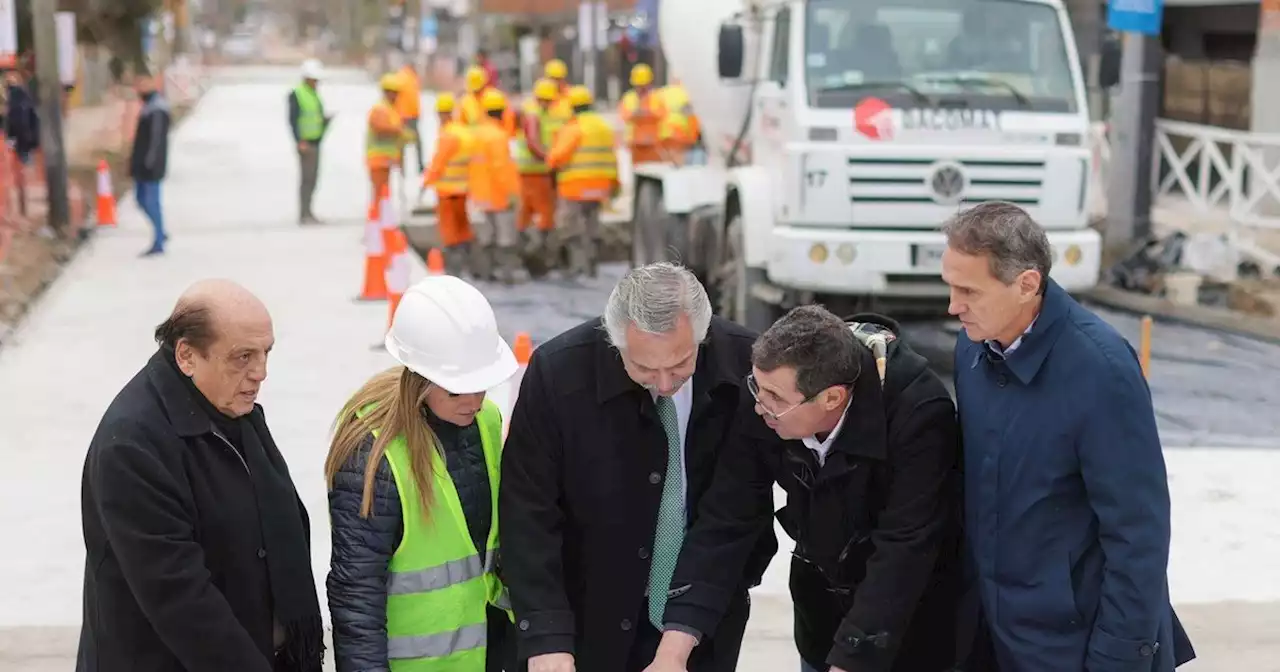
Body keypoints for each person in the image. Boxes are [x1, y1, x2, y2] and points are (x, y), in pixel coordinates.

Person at [940, 201, 1197, 671]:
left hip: (1073, 644)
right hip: (994, 635)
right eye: (950, 286)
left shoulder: (1102, 371)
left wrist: (1118, 658)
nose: (953, 306)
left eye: (968, 291)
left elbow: (1138, 535)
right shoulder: (973, 349)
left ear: (1027, 285)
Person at [645, 305, 964, 672]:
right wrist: (673, 649)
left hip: (911, 626)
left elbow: (904, 550)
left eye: (776, 398)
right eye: (756, 387)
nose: (760, 406)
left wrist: (851, 660)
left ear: (832, 398)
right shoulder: (767, 403)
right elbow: (727, 518)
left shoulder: (918, 415)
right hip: (822, 617)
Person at [500, 262, 777, 672]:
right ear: (616, 344)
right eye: (645, 369)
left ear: (703, 337)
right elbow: (529, 514)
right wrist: (546, 637)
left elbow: (733, 515)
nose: (665, 383)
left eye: (681, 364)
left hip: (706, 612)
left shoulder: (744, 366)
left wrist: (680, 639)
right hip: (588, 616)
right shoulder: (557, 375)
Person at [78, 279, 324, 672]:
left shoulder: (230, 408)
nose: (261, 373)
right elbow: (181, 599)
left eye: (266, 353)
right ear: (187, 356)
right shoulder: (131, 446)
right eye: (242, 357)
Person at [326, 274, 519, 672]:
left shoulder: (486, 422)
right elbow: (356, 594)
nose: (474, 400)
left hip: (492, 655)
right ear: (419, 379)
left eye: (481, 385)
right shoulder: (374, 456)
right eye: (456, 389)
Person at [545, 85, 619, 279]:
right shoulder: (603, 126)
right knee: (592, 226)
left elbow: (556, 158)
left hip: (575, 187)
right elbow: (612, 157)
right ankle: (592, 266)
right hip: (599, 187)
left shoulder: (574, 128)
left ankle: (578, 267)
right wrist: (614, 185)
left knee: (572, 229)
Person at [466, 89, 522, 284]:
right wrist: (512, 193)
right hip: (499, 197)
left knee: (485, 238)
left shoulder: (476, 135)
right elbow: (501, 169)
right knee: (505, 240)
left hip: (480, 196)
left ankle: (484, 274)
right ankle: (506, 275)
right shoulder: (498, 136)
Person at [422, 93, 475, 273]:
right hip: (463, 190)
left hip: (447, 192)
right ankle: (469, 263)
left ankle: (454, 269)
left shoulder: (448, 135)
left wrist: (426, 182)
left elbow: (439, 162)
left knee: (450, 232)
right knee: (463, 228)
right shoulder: (464, 132)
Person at [514, 78, 562, 271]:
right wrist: (549, 159)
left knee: (526, 214)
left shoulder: (535, 112)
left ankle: (527, 255)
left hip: (531, 172)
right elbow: (533, 142)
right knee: (543, 215)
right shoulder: (534, 114)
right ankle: (537, 258)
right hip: (537, 173)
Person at [129, 74, 171, 257]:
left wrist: (150, 162)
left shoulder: (158, 109)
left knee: (151, 201)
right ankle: (160, 231)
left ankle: (159, 239)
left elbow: (156, 141)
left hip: (151, 166)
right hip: (141, 164)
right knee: (141, 200)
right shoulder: (149, 107)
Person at [288, 59, 331, 225]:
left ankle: (309, 211)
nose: (316, 83)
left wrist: (325, 121)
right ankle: (304, 213)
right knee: (306, 179)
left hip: (316, 141)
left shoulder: (314, 94)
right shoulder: (297, 94)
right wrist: (299, 141)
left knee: (313, 179)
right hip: (305, 143)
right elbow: (293, 120)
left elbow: (315, 116)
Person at [366, 73, 406, 209]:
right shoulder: (379, 109)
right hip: (377, 158)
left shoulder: (392, 110)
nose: (396, 96)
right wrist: (398, 131)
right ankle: (376, 223)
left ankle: (383, 222)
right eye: (394, 93)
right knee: (379, 194)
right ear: (386, 92)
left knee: (385, 193)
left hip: (387, 159)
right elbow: (379, 129)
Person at [618, 64, 665, 165]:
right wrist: (634, 114)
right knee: (637, 173)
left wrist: (648, 113)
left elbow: (662, 114)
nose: (641, 89)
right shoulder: (629, 97)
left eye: (644, 85)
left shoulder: (656, 96)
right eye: (639, 85)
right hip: (634, 143)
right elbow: (623, 116)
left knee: (653, 171)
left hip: (653, 143)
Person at [393, 61, 423, 174]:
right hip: (406, 115)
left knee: (411, 143)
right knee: (407, 143)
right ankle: (402, 167)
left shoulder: (412, 77)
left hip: (410, 115)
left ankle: (407, 167)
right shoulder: (404, 77)